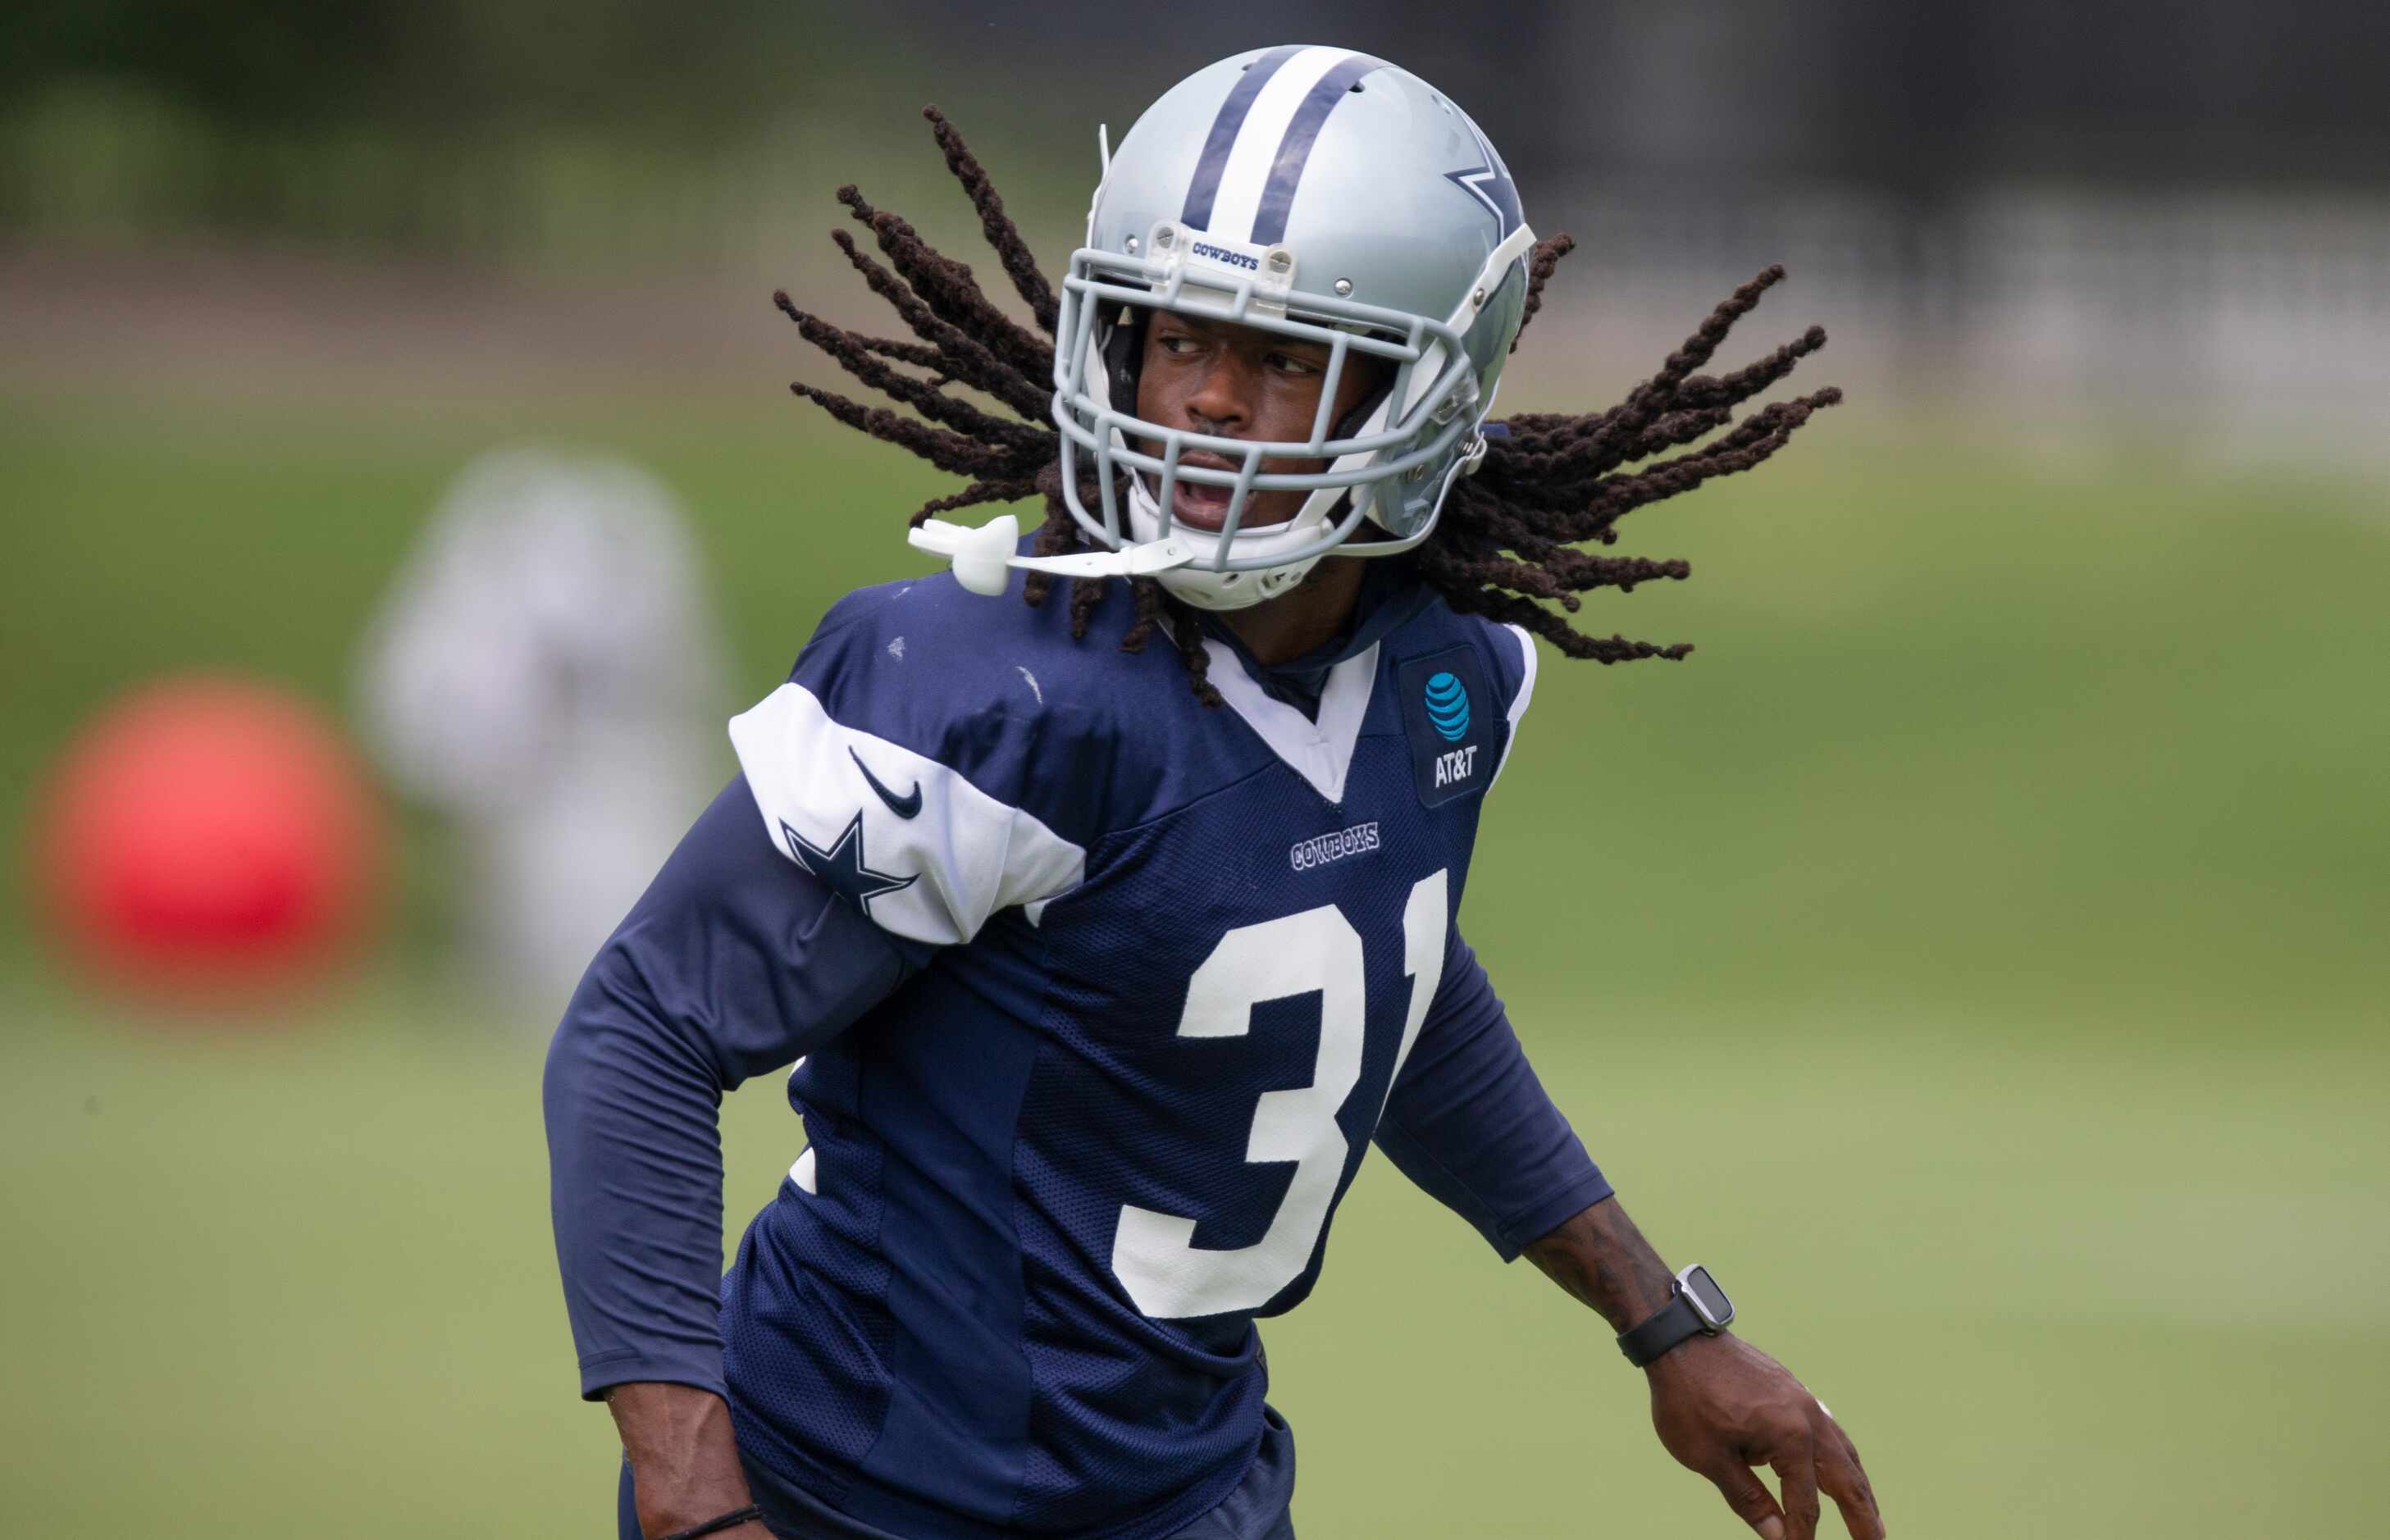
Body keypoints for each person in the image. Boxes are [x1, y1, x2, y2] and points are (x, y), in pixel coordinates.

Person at [545, 46, 1879, 1540]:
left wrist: (1663, 1321)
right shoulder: (990, 689)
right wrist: (693, 1496)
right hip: (854, 1497)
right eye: (1176, 340)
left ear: (1421, 388)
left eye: (1285, 357)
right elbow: (648, 1026)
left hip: (1188, 1494)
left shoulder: (1440, 681)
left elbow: (1381, 975)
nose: (1209, 403)